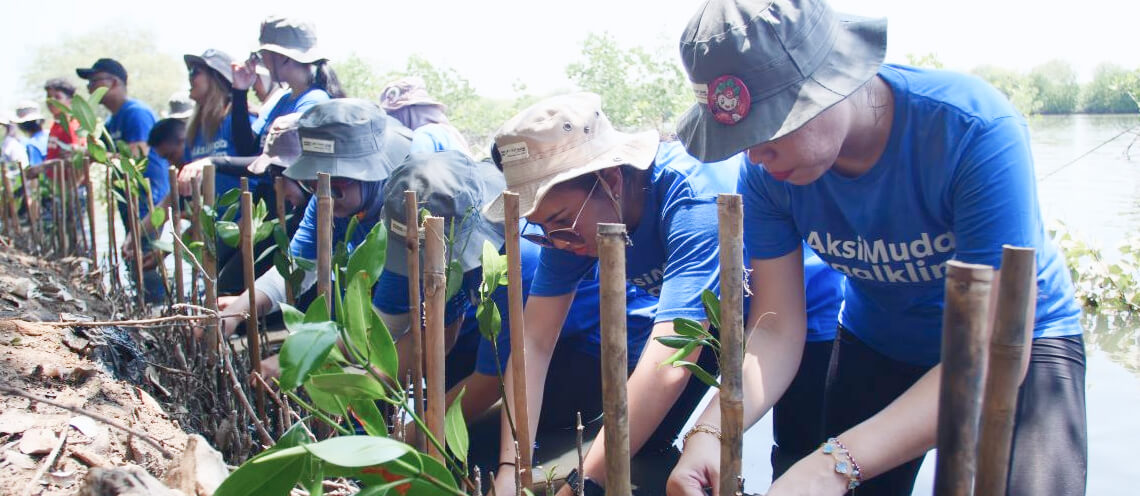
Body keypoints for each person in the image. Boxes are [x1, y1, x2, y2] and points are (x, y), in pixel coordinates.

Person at [667, 1, 1086, 495]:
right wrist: (713, 432)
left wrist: (833, 464)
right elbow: (776, 330)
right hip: (880, 344)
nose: (755, 155)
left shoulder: (972, 130)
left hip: (1019, 348)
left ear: (832, 79)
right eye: (739, 137)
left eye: (770, 126)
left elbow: (994, 350)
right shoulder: (767, 177)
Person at [484, 92, 842, 495]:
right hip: (704, 321)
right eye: (544, 229)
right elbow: (534, 340)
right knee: (645, 442)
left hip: (790, 318)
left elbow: (670, 366)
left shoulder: (693, 197)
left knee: (799, 453)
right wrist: (512, 467)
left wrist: (581, 483)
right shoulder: (570, 228)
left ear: (613, 179)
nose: (557, 242)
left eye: (562, 223)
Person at [372, 151, 659, 466]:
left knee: (482, 446)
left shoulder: (519, 260)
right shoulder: (462, 264)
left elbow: (491, 379)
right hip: (538, 336)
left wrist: (399, 442)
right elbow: (438, 336)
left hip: (597, 345)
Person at [217, 98, 411, 341]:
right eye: (311, 184)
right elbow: (298, 266)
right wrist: (237, 311)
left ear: (370, 175)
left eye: (336, 187)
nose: (324, 197)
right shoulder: (325, 199)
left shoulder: (407, 204)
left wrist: (311, 352)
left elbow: (393, 319)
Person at [76, 58, 156, 157]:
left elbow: (136, 157)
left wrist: (93, 155)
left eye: (94, 81)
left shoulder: (137, 113)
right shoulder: (110, 121)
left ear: (113, 82)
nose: (89, 88)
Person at [379, 76, 470, 154]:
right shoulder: (450, 133)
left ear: (408, 111)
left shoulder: (424, 136)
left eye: (395, 115)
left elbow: (416, 172)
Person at [43, 78, 82, 162]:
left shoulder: (71, 125)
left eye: (57, 97)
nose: (51, 101)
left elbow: (74, 157)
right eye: (49, 97)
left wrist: (43, 167)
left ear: (70, 101)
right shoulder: (55, 125)